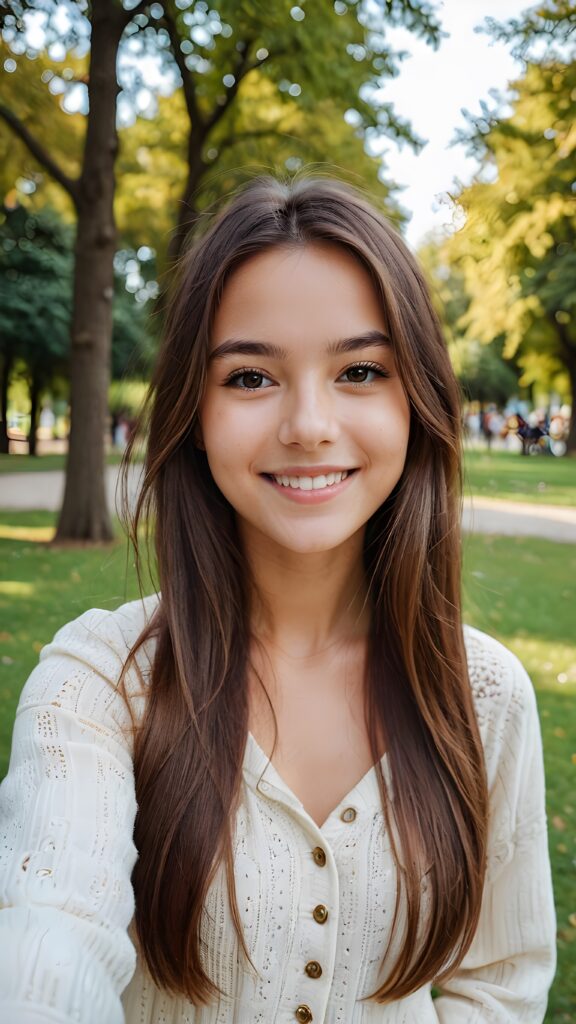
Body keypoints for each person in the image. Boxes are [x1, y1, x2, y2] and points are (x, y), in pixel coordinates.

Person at [0, 177, 556, 1024]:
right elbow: (50, 938)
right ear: (195, 409)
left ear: (419, 404)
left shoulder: (486, 695)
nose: (308, 424)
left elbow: (501, 985)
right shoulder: (98, 687)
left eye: (361, 371)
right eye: (252, 377)